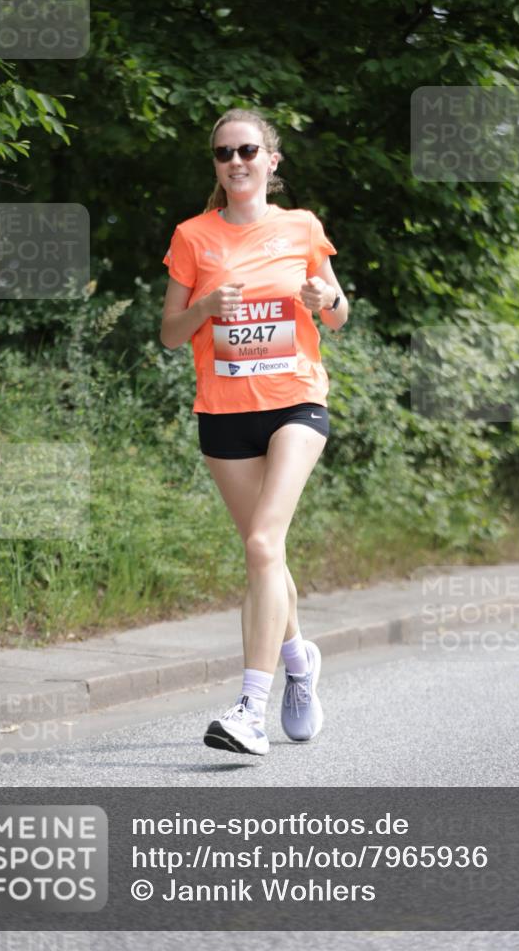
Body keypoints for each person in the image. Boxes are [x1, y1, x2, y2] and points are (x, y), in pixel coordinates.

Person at [160, 107, 348, 755]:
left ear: (272, 160)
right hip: (223, 414)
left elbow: (339, 313)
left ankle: (250, 711)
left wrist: (327, 303)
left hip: (295, 401)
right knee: (263, 554)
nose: (235, 162)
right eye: (223, 154)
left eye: (246, 150)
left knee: (265, 541)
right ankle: (300, 666)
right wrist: (207, 308)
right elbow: (168, 332)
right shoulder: (191, 237)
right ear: (215, 166)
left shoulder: (301, 227)